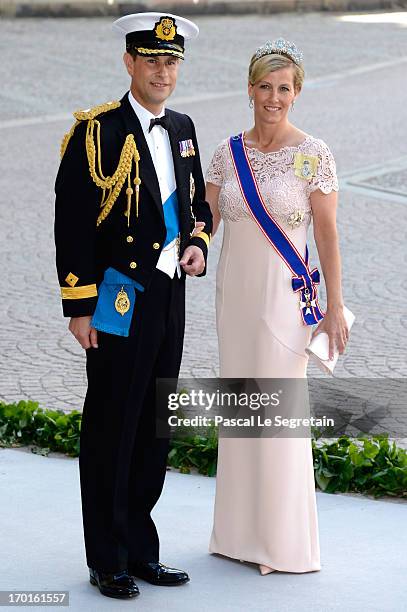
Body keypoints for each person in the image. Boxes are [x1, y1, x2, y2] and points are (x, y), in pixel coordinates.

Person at [54, 12, 212, 599]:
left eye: (171, 62)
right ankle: (107, 556)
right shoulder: (97, 132)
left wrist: (196, 242)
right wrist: (79, 304)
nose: (162, 71)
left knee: (154, 428)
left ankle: (143, 548)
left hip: (171, 294)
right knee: (112, 427)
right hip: (119, 297)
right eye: (152, 61)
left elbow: (198, 205)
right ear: (129, 62)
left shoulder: (184, 127)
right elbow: (71, 224)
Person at [205, 38, 348, 574]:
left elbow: (328, 236)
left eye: (283, 88)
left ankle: (281, 545)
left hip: (285, 305)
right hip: (235, 301)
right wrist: (185, 251)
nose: (273, 97)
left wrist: (335, 307)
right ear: (249, 90)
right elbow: (206, 221)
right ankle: (238, 535)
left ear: (297, 92)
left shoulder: (314, 154)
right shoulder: (226, 152)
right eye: (264, 86)